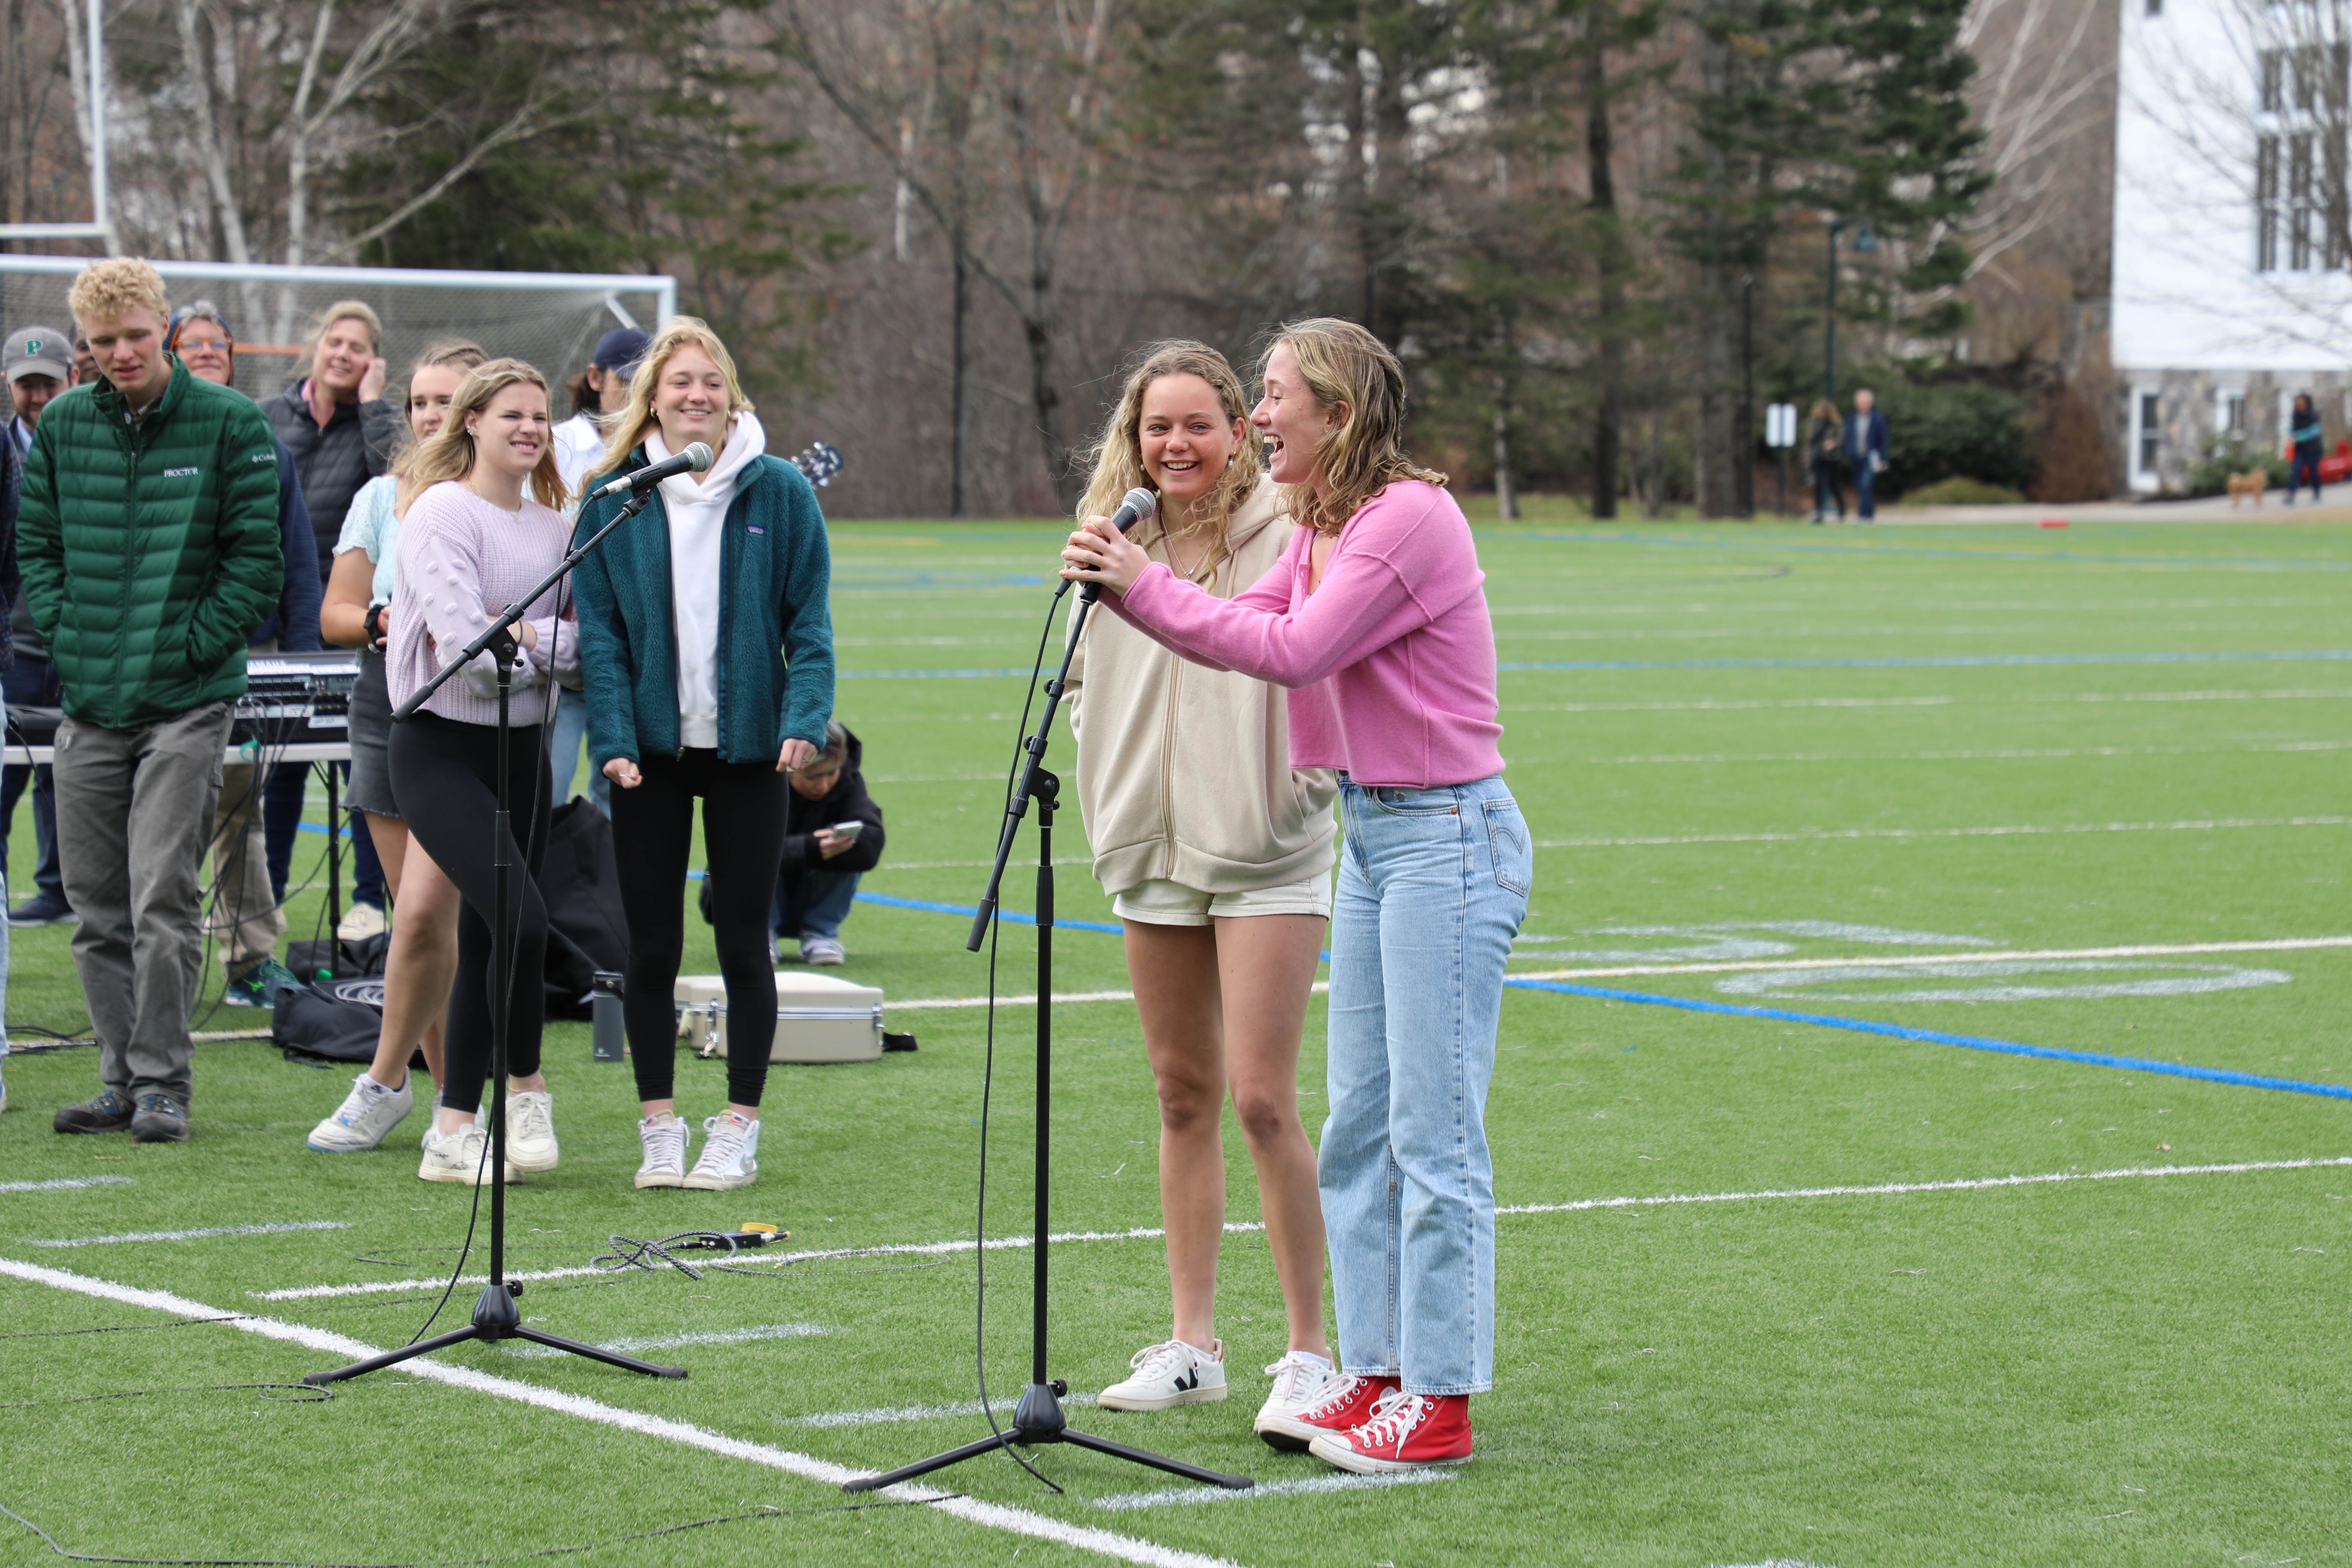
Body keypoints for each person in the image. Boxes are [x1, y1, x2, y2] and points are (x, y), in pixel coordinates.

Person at [1061, 318, 1529, 1476]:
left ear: (1337, 410)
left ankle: (1441, 1399)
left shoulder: (1406, 517)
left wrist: (1138, 588)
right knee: (1362, 1123)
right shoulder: (1330, 521)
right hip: (1377, 834)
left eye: (1271, 396)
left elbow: (1296, 651)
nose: (1259, 415)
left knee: (1431, 1130)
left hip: (1446, 834)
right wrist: (1142, 588)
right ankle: (1371, 1371)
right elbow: (1254, 624)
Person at [1060, 341, 1343, 1442]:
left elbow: (1319, 663)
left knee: (1263, 1097)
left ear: (1237, 430)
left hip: (1266, 851)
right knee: (1180, 1091)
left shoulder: (1290, 529)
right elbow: (1081, 680)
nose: (1173, 445)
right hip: (1147, 848)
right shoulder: (1109, 539)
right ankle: (1194, 1342)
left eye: (1197, 424)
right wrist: (1107, 771)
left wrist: (1292, 787)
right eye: (1154, 426)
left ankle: (1312, 1349)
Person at [20, 259, 284, 1143]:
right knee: (96, 907)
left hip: (187, 701)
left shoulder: (232, 423)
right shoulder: (61, 424)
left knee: (162, 896)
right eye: (104, 343)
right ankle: (118, 1079)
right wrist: (70, 637)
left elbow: (257, 562)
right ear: (86, 351)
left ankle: (165, 1081)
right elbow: (38, 547)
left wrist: (188, 647)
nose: (122, 352)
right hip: (90, 699)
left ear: (164, 327)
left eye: (136, 335)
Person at [572, 317, 834, 1193]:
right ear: (651, 397)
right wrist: (610, 737)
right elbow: (600, 638)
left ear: (732, 398)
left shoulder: (783, 493)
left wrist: (803, 714)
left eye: (711, 382)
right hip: (647, 753)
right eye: (679, 382)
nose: (696, 396)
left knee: (742, 942)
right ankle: (659, 1125)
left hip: (750, 754)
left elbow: (811, 626)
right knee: (650, 946)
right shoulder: (613, 496)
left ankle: (737, 1125)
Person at [387, 357, 579, 1185]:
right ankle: (527, 1084)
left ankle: (452, 1128)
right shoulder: (439, 511)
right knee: (525, 919)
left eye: (540, 416)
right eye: (512, 415)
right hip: (438, 746)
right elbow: (467, 657)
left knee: (494, 931)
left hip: (523, 751)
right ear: (472, 421)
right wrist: (537, 644)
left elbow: (587, 646)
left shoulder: (557, 528)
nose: (530, 428)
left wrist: (530, 641)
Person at [302, 340, 482, 1154]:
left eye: (448, 401)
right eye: (419, 401)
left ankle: (404, 1085)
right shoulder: (382, 495)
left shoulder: (513, 497)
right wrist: (387, 622)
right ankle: (442, 1100)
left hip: (477, 713)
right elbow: (335, 613)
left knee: (428, 915)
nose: (431, 416)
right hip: (387, 699)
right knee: (420, 915)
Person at [166, 303, 322, 1008]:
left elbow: (296, 558)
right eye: (188, 342)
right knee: (154, 815)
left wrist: (305, 658)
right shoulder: (146, 440)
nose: (204, 351)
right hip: (154, 659)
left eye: (215, 343)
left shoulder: (264, 444)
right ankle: (149, 960)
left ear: (233, 356)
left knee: (238, 812)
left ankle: (250, 959)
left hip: (246, 658)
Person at [268, 299, 396, 938]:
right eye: (335, 341)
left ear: (372, 360)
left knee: (360, 766)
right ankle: (266, 896)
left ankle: (369, 900)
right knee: (281, 762)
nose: (343, 354)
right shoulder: (270, 417)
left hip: (354, 621)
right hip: (282, 622)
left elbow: (396, 484)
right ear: (317, 345)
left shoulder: (378, 424)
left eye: (358, 347)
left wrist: (373, 406)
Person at [546, 325, 647, 819]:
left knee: (619, 796)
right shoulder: (554, 446)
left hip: (629, 648)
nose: (636, 390)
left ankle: (607, 896)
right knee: (548, 789)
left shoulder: (659, 450)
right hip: (564, 643)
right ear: (595, 377)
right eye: (626, 378)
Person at [1, 325, 72, 927]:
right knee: (4, 783)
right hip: (16, 650)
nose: (40, 394)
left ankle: (58, 889)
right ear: (9, 385)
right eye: (28, 385)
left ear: (71, 377)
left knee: (67, 779)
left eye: (49, 381)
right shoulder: (4, 455)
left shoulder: (89, 449)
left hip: (78, 648)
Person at [769, 721, 882, 967]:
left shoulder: (849, 782)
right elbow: (744, 852)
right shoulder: (763, 784)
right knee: (756, 857)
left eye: (831, 773)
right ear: (788, 767)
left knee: (850, 845)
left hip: (804, 893)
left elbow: (871, 843)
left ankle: (820, 934)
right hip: (747, 901)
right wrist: (810, 848)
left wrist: (834, 846)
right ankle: (759, 935)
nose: (822, 785)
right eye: (812, 775)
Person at [1847, 386, 1889, 521]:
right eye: (1861, 402)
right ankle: (1870, 513)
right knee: (1861, 486)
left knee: (1866, 484)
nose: (1863, 405)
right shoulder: (1852, 419)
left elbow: (1883, 441)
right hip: (1856, 456)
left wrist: (1883, 459)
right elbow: (1848, 437)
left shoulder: (1878, 419)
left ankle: (1862, 514)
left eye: (1865, 402)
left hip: (1872, 458)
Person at [1807, 398, 1846, 523]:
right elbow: (1811, 442)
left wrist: (1833, 443)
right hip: (1818, 458)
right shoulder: (1815, 424)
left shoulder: (1835, 424)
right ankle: (1819, 512)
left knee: (1833, 484)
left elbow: (1840, 438)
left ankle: (1841, 510)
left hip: (1832, 458)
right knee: (1818, 485)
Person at [2286, 392, 2324, 505]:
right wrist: (2291, 436)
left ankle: (2317, 494)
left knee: (2313, 472)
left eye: (2301, 402)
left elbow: (2314, 432)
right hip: (2300, 450)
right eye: (2297, 403)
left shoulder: (2314, 415)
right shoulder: (2295, 416)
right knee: (2296, 471)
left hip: (2313, 449)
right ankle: (2291, 495)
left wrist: (2297, 437)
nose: (2299, 405)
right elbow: (2292, 430)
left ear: (2307, 403)